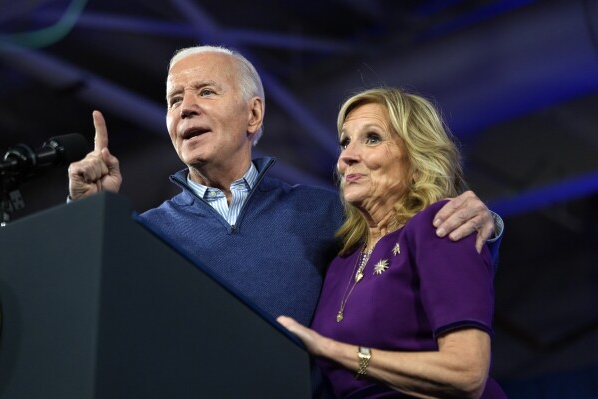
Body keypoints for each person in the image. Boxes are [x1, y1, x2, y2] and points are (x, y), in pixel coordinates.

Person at [68, 45, 501, 332]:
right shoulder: (144, 233)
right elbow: (87, 316)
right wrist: (88, 220)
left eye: (205, 91)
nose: (187, 108)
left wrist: (488, 225)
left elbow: (424, 257)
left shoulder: (326, 213)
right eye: (174, 100)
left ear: (253, 115)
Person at [277, 87, 506, 398]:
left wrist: (333, 350)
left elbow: (467, 374)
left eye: (372, 138)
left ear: (416, 159)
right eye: (345, 141)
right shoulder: (340, 261)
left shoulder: (440, 225)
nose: (346, 157)